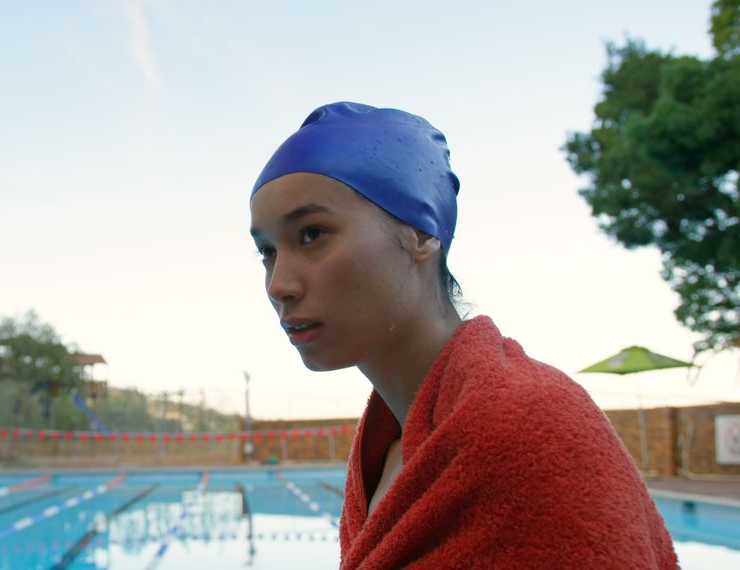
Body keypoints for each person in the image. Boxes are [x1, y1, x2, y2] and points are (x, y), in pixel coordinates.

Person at [248, 102, 677, 569]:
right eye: (267, 251)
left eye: (312, 234)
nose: (279, 285)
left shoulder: (527, 425)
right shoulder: (390, 448)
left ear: (422, 232)